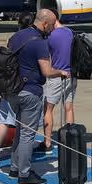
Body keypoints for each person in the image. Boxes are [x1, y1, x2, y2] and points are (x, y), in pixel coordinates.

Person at [3, 9, 69, 184]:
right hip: (30, 91)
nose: (53, 29)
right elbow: (47, 71)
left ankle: (15, 168)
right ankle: (24, 173)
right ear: (45, 23)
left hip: (13, 89)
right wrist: (60, 72)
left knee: (20, 130)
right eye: (52, 25)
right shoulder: (40, 43)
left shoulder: (18, 35)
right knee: (27, 134)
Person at [0, 13, 36, 163]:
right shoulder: (36, 39)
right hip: (27, 86)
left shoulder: (13, 39)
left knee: (4, 119)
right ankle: (22, 158)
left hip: (10, 84)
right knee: (26, 125)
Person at [38, 14, 77, 154]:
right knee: (69, 107)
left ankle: (47, 141)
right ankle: (71, 140)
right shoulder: (70, 32)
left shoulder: (51, 36)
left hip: (56, 75)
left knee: (48, 109)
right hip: (71, 75)